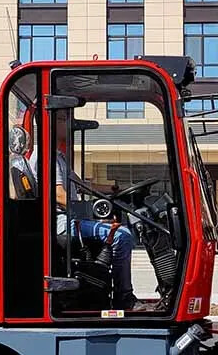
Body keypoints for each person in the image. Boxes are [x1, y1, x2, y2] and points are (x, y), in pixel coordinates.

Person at [29, 112, 147, 312]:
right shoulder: (45, 156)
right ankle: (124, 298)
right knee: (122, 236)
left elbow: (82, 185)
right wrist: (89, 214)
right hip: (61, 223)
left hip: (67, 219)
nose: (70, 124)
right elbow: (58, 195)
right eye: (65, 119)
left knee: (118, 230)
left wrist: (117, 189)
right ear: (52, 122)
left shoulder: (57, 156)